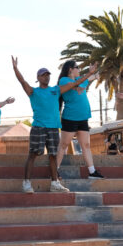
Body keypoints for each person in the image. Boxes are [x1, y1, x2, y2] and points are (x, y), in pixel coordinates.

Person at [11, 56, 97, 193]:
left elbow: (75, 84)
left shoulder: (56, 90)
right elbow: (22, 81)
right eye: (43, 75)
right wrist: (16, 69)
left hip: (53, 128)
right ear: (38, 78)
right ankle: (26, 183)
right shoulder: (33, 91)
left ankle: (54, 183)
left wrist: (90, 73)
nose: (46, 77)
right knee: (33, 154)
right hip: (38, 127)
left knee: (52, 155)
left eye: (48, 75)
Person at [56, 60, 104, 179]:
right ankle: (54, 171)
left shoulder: (80, 80)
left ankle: (92, 172)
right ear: (70, 69)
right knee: (63, 145)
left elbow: (88, 79)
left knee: (86, 145)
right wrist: (89, 74)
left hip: (83, 118)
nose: (79, 69)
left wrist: (96, 74)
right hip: (70, 118)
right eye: (77, 67)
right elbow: (79, 83)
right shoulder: (64, 80)